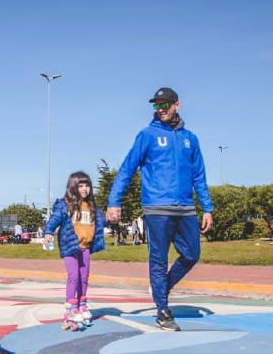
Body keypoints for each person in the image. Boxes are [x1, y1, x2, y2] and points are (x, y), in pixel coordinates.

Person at [106, 87, 214, 332]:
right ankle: (163, 310)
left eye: (165, 104)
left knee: (192, 254)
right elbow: (127, 168)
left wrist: (207, 207)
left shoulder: (190, 139)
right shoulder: (147, 135)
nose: (161, 109)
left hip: (185, 207)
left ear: (177, 104)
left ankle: (160, 288)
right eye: (157, 105)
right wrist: (115, 201)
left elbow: (199, 175)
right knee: (158, 258)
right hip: (157, 207)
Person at [44, 171, 107, 330]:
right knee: (74, 276)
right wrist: (48, 232)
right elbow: (54, 219)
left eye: (87, 186)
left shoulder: (92, 207)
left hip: (86, 247)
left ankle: (82, 304)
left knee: (84, 277)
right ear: (73, 187)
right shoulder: (65, 204)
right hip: (70, 245)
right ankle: (71, 308)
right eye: (81, 186)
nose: (85, 189)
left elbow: (102, 222)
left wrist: (111, 219)